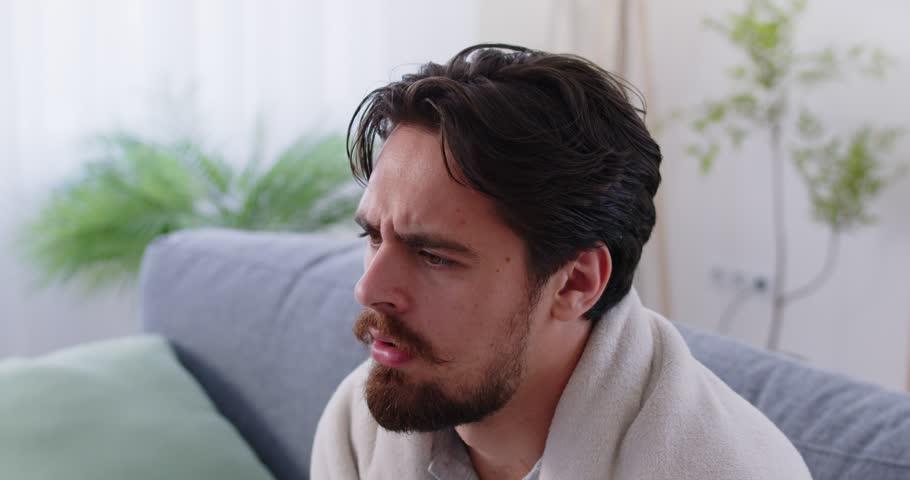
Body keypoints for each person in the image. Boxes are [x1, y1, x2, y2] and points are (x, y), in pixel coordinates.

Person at [311, 43, 812, 480]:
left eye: (434, 257)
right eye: (373, 236)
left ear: (575, 283)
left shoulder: (726, 469)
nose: (369, 289)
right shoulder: (361, 428)